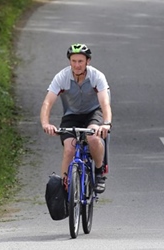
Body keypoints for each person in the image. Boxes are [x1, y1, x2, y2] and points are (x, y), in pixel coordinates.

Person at [40, 43, 112, 193]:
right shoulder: (62, 77)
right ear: (69, 61)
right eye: (74, 61)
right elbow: (48, 102)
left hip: (93, 113)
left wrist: (106, 123)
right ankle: (65, 188)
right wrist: (46, 123)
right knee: (69, 150)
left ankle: (99, 173)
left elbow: (105, 102)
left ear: (87, 62)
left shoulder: (97, 76)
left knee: (92, 137)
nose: (77, 65)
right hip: (71, 115)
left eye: (80, 61)